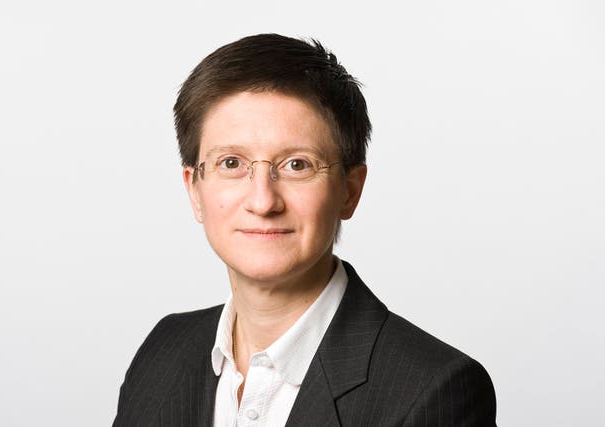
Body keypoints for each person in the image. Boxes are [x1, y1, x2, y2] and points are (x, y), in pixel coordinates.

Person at [113, 33, 497, 427]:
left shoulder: (434, 390)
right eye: (231, 163)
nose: (263, 202)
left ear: (350, 191)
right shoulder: (162, 353)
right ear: (194, 189)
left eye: (297, 165)